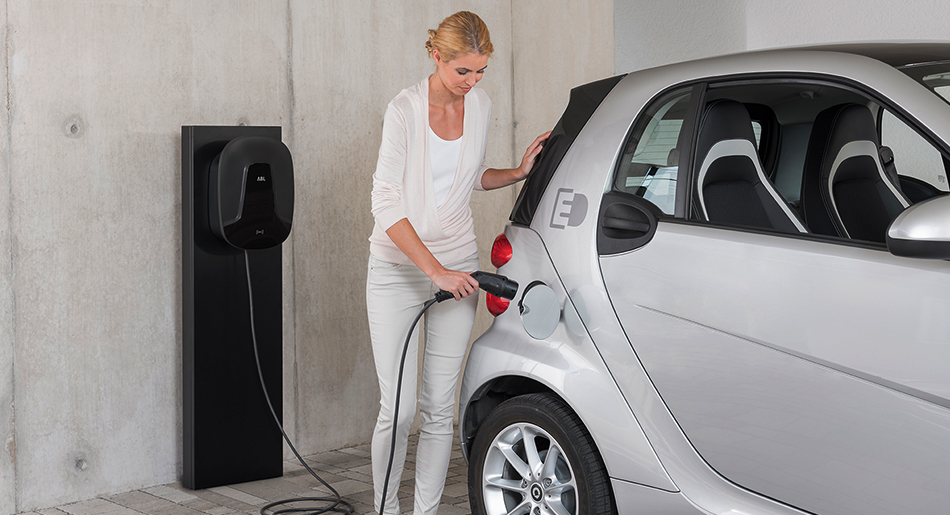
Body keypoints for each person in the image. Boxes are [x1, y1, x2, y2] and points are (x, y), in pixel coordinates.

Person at [366, 10, 550, 515]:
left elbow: (467, 177)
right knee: (398, 411)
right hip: (399, 271)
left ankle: (424, 510)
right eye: (462, 71)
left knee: (437, 409)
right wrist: (434, 273)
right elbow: (385, 203)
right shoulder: (403, 110)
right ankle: (386, 509)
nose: (472, 82)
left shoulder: (481, 105)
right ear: (436, 55)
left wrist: (516, 171)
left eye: (480, 71)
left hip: (458, 269)